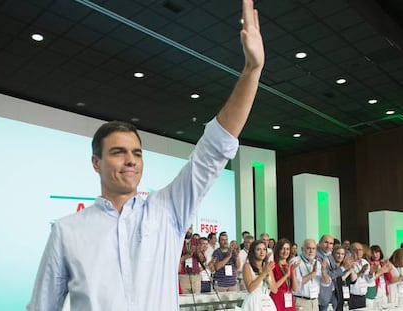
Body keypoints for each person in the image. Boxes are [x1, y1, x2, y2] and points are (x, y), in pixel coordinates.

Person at [25, 1, 265, 310]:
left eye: (136, 153)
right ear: (96, 163)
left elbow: (215, 149)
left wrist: (252, 70)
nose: (130, 160)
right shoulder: (67, 232)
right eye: (118, 152)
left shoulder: (166, 211)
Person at [292, 238, 331, 311]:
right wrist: (312, 274)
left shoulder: (317, 263)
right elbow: (296, 284)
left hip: (315, 301)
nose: (311, 251)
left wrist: (323, 271)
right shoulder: (295, 262)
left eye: (313, 249)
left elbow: (326, 283)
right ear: (302, 249)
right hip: (301, 301)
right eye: (308, 248)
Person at [241, 240, 277, 311]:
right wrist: (263, 274)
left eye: (264, 249)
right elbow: (250, 288)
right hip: (253, 301)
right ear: (253, 251)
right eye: (258, 249)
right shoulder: (247, 266)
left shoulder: (267, 266)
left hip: (266, 302)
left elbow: (275, 290)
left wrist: (268, 280)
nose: (262, 252)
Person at [270, 238, 299, 311]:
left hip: (289, 300)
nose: (285, 251)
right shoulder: (272, 266)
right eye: (283, 249)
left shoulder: (291, 266)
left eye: (287, 249)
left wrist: (293, 271)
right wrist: (286, 275)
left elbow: (295, 288)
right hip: (277, 299)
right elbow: (274, 288)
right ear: (278, 250)